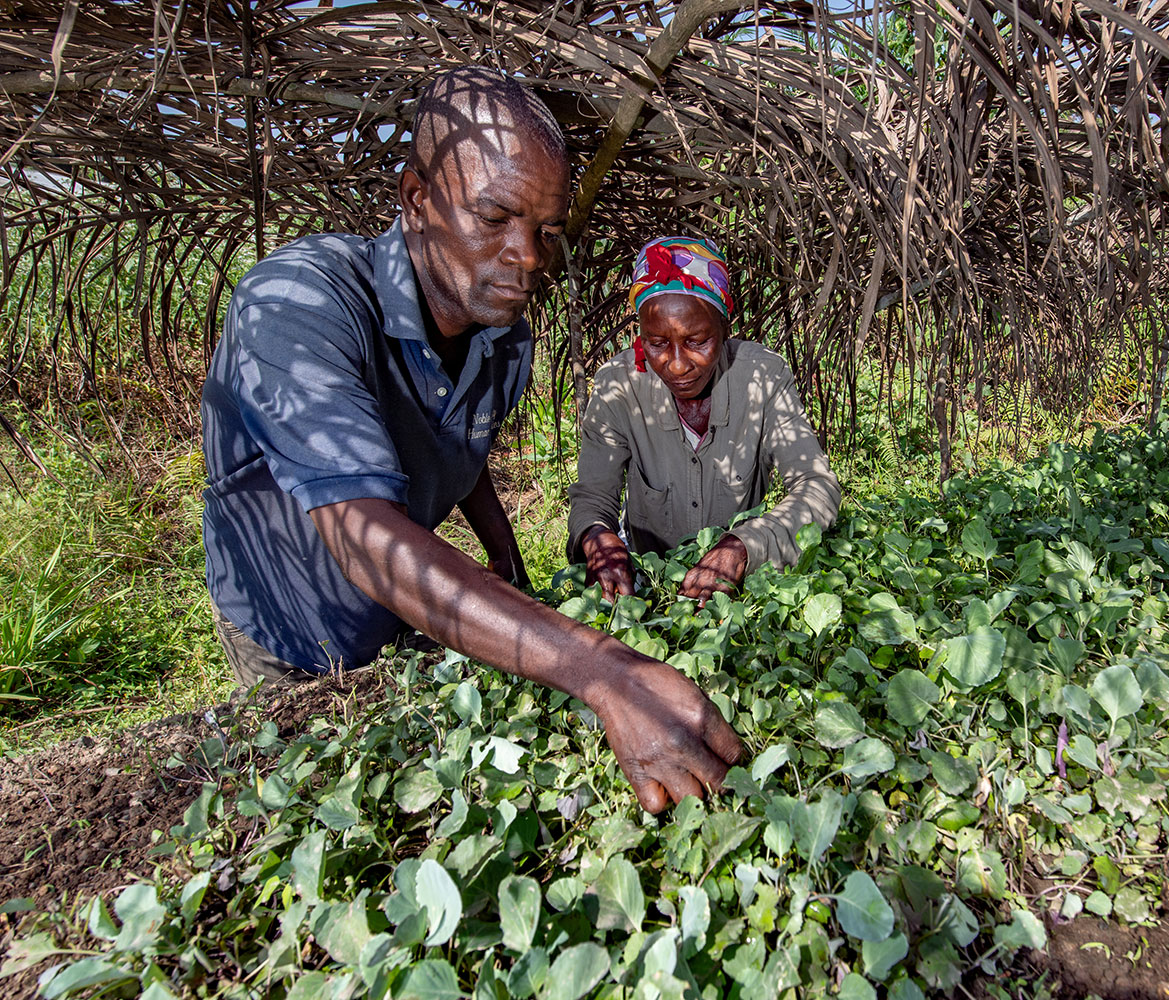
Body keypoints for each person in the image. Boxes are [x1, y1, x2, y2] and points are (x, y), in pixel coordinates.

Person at [200, 67, 741, 812]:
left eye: (546, 231)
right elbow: (366, 540)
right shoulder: (298, 304)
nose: (528, 256)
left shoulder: (502, 339)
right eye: (496, 218)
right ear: (417, 201)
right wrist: (605, 669)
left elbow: (457, 453)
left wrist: (507, 561)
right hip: (291, 637)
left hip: (408, 623)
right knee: (309, 817)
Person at [567, 236, 841, 603]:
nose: (677, 364)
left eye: (697, 341)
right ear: (641, 338)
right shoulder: (618, 387)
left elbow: (817, 487)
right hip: (648, 588)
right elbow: (592, 499)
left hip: (738, 593)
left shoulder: (762, 378)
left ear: (724, 329)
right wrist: (598, 538)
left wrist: (743, 547)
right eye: (657, 343)